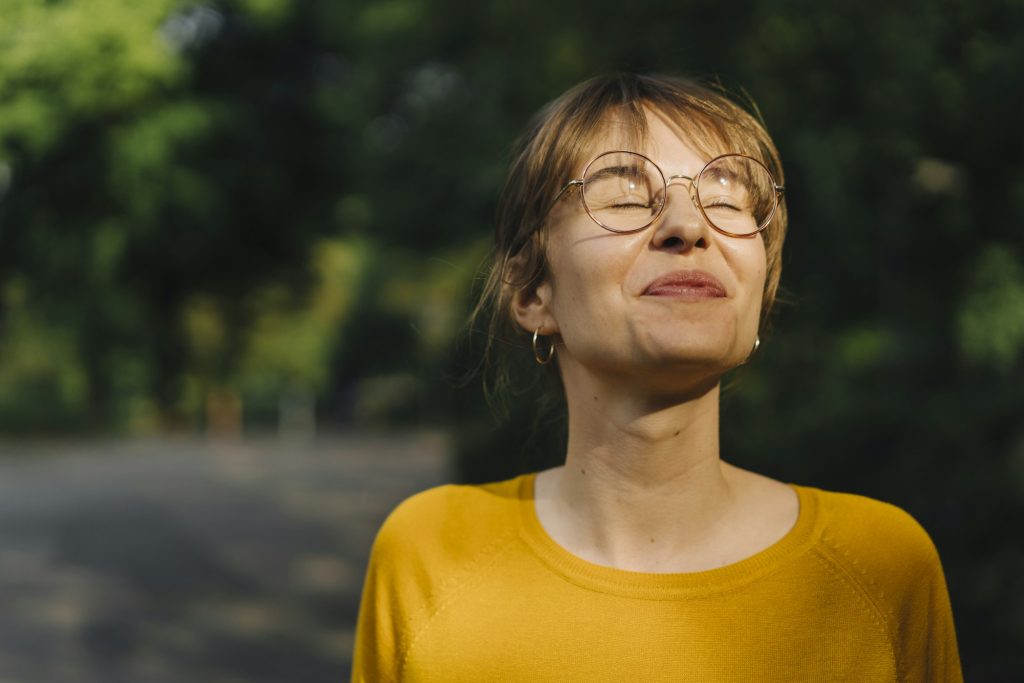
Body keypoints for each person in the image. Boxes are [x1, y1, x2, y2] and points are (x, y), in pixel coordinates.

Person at [350, 73, 963, 682]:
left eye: (725, 198)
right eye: (623, 198)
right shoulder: (429, 552)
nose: (688, 226)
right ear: (534, 291)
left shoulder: (880, 567)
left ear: (762, 290)